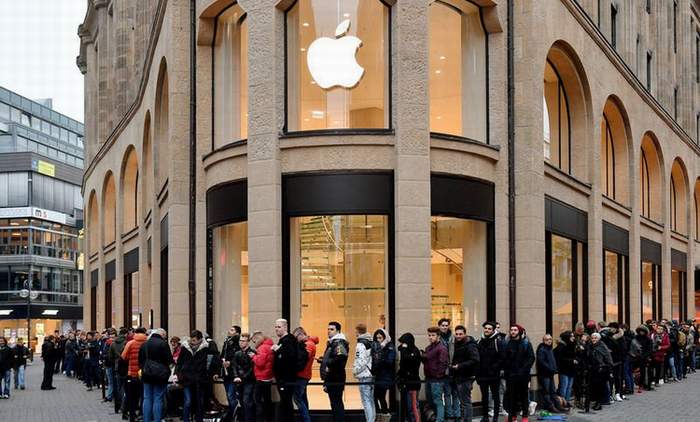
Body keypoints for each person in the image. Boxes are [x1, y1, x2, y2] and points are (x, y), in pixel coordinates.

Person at [175, 330, 221, 422]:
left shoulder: (206, 348)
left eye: (194, 340)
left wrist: (215, 372)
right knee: (187, 401)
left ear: (200, 340)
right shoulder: (185, 347)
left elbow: (215, 360)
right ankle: (186, 420)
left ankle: (198, 420)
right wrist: (177, 374)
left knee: (199, 402)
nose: (192, 342)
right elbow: (180, 362)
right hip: (187, 378)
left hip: (200, 378)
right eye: (191, 340)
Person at [139, 328, 174, 422]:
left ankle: (146, 419)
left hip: (147, 374)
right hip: (160, 375)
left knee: (147, 398)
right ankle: (157, 420)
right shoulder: (163, 344)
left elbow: (140, 361)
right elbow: (170, 361)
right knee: (158, 398)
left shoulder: (144, 344)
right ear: (163, 335)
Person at [502, 324, 534, 422]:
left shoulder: (526, 343)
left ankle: (525, 416)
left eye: (515, 330)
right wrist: (507, 370)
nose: (513, 332)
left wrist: (523, 370)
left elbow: (531, 358)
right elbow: (504, 358)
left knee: (524, 396)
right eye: (511, 330)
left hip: (523, 375)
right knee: (512, 396)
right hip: (511, 375)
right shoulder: (507, 343)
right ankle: (513, 415)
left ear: (519, 332)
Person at [319, 321, 349, 422]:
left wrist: (326, 362)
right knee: (334, 403)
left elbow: (340, 358)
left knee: (336, 403)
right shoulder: (332, 342)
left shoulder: (339, 343)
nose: (329, 331)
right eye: (328, 329)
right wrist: (324, 360)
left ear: (338, 331)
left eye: (332, 329)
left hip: (336, 377)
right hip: (332, 376)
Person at [450, 325, 480, 422]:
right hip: (459, 376)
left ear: (465, 334)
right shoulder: (457, 344)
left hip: (466, 376)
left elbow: (475, 360)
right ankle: (465, 419)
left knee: (466, 402)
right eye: (456, 334)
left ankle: (468, 420)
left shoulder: (470, 345)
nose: (458, 336)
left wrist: (460, 366)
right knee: (463, 402)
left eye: (460, 334)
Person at [273, 318, 300, 422]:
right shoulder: (283, 340)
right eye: (275, 327)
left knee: (286, 402)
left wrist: (278, 350)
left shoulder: (289, 340)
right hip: (282, 378)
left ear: (285, 327)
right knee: (285, 402)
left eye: (279, 327)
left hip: (286, 379)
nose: (276, 329)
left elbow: (290, 358)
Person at [477, 321, 503, 422]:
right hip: (482, 375)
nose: (487, 330)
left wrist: (494, 368)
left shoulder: (498, 341)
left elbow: (502, 357)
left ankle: (495, 417)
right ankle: (485, 417)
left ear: (493, 330)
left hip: (494, 375)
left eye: (489, 329)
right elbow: (477, 358)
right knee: (484, 397)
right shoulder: (479, 341)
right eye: (486, 328)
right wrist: (477, 374)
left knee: (495, 396)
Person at [121, 327, 148, 422]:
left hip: (132, 373)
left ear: (135, 333)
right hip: (145, 373)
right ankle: (143, 414)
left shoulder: (130, 343)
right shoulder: (147, 343)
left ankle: (132, 416)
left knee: (132, 396)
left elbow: (123, 356)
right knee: (144, 396)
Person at [423, 326, 449, 422]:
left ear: (438, 336)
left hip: (436, 379)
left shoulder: (442, 348)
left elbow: (443, 363)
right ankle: (434, 418)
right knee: (430, 400)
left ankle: (440, 419)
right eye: (429, 335)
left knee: (437, 400)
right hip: (428, 377)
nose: (430, 337)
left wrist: (438, 376)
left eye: (433, 335)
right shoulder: (428, 348)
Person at [293, 327, 318, 422]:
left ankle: (306, 419)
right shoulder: (309, 343)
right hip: (305, 374)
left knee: (297, 398)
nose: (296, 340)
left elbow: (303, 358)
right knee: (302, 398)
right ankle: (306, 418)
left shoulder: (308, 345)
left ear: (301, 335)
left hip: (302, 375)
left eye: (296, 337)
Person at [437, 318, 460, 420]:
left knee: (455, 393)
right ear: (439, 326)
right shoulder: (437, 338)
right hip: (443, 369)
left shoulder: (454, 337)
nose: (445, 327)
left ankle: (457, 414)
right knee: (447, 393)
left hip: (454, 369)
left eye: (446, 325)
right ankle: (449, 414)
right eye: (443, 325)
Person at [352, 323, 375, 422]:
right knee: (370, 399)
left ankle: (369, 420)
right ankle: (372, 419)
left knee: (366, 400)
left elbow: (360, 360)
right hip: (370, 373)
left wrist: (355, 371)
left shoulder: (361, 344)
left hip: (364, 375)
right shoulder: (370, 341)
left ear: (358, 331)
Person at [397, 333, 421, 422]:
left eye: (403, 343)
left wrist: (403, 349)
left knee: (413, 406)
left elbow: (409, 360)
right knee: (407, 406)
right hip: (405, 383)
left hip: (413, 383)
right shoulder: (405, 351)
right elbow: (402, 366)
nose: (402, 345)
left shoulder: (414, 351)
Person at [373, 328, 396, 420]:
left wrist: (380, 356)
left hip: (385, 375)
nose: (378, 340)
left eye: (380, 338)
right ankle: (379, 415)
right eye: (377, 338)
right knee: (374, 397)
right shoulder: (376, 347)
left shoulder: (390, 347)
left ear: (385, 337)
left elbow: (390, 361)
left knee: (381, 397)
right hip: (377, 375)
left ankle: (385, 416)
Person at [232, 333, 256, 422]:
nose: (241, 343)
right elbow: (234, 365)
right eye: (240, 341)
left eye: (243, 341)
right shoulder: (237, 353)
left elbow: (252, 368)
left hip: (249, 381)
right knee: (241, 401)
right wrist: (236, 376)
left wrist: (242, 377)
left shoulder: (252, 353)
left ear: (248, 342)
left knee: (247, 401)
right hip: (239, 380)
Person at [252, 332, 274, 422]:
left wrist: (253, 356)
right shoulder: (269, 346)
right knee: (267, 400)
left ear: (257, 339)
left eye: (254, 341)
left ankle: (260, 419)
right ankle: (268, 419)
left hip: (261, 378)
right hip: (268, 377)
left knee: (257, 400)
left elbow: (260, 363)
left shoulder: (262, 348)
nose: (254, 343)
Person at [220, 325, 241, 421]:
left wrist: (230, 363)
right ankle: (232, 415)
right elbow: (222, 355)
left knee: (231, 395)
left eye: (232, 330)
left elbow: (238, 358)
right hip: (225, 373)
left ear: (237, 333)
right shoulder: (226, 342)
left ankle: (235, 415)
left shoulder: (238, 343)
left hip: (233, 373)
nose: (229, 331)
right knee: (228, 396)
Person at [588, 332, 613, 411]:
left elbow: (608, 358)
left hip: (601, 370)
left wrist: (609, 370)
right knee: (594, 387)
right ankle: (596, 402)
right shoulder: (590, 346)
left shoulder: (602, 346)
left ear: (599, 339)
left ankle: (599, 403)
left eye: (595, 338)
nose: (593, 339)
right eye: (592, 338)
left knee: (600, 387)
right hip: (593, 369)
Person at [535, 334, 559, 413]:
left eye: (550, 339)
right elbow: (542, 362)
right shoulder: (542, 349)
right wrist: (551, 369)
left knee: (553, 391)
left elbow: (552, 361)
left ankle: (557, 405)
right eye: (547, 339)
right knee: (546, 391)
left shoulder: (549, 349)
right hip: (544, 374)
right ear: (544, 341)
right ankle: (550, 406)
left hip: (550, 374)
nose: (549, 341)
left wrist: (555, 368)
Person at [109, 327, 129, 415]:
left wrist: (115, 362)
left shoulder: (113, 343)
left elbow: (110, 357)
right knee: (125, 387)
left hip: (117, 367)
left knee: (118, 387)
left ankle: (117, 406)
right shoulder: (127, 343)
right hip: (126, 367)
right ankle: (123, 406)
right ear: (125, 334)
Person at [553, 330, 576, 405]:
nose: (573, 337)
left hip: (571, 369)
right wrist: (571, 360)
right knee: (564, 387)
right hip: (564, 370)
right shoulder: (561, 346)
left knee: (569, 387)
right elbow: (560, 359)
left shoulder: (572, 345)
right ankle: (562, 402)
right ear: (567, 337)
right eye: (571, 336)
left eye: (573, 336)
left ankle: (567, 401)